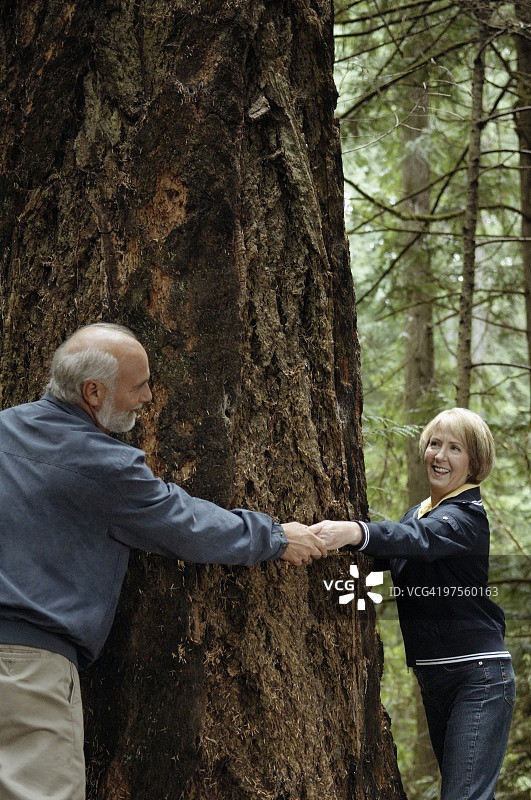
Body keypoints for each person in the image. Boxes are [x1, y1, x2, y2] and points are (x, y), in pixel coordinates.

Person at [0, 322, 327, 800]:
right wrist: (276, 536)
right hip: (26, 672)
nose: (149, 397)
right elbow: (183, 523)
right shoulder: (105, 466)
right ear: (93, 392)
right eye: (138, 386)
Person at [310, 408, 515, 800]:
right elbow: (381, 558)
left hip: (480, 678)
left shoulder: (465, 519)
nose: (440, 455)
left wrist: (355, 530)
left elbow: (417, 540)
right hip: (435, 678)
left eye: (455, 448)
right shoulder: (420, 514)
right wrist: (326, 572)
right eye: (435, 444)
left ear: (474, 462)